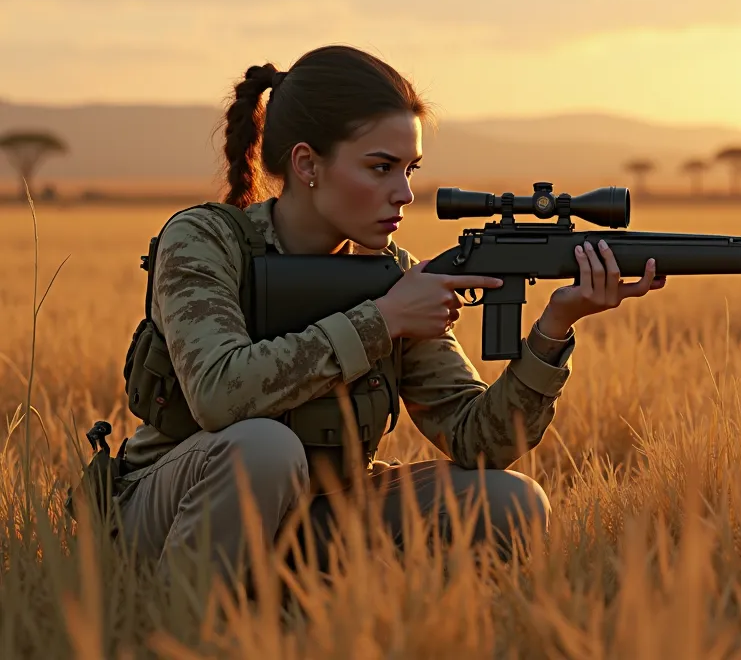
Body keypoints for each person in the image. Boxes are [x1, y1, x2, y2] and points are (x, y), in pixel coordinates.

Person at [107, 44, 666, 583]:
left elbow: (480, 441)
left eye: (410, 169)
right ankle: (176, 623)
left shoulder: (393, 274)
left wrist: (553, 329)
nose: (404, 193)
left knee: (511, 501)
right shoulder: (205, 239)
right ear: (307, 164)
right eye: (380, 168)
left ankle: (307, 616)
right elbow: (217, 393)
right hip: (168, 511)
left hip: (323, 514)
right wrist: (383, 320)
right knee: (265, 448)